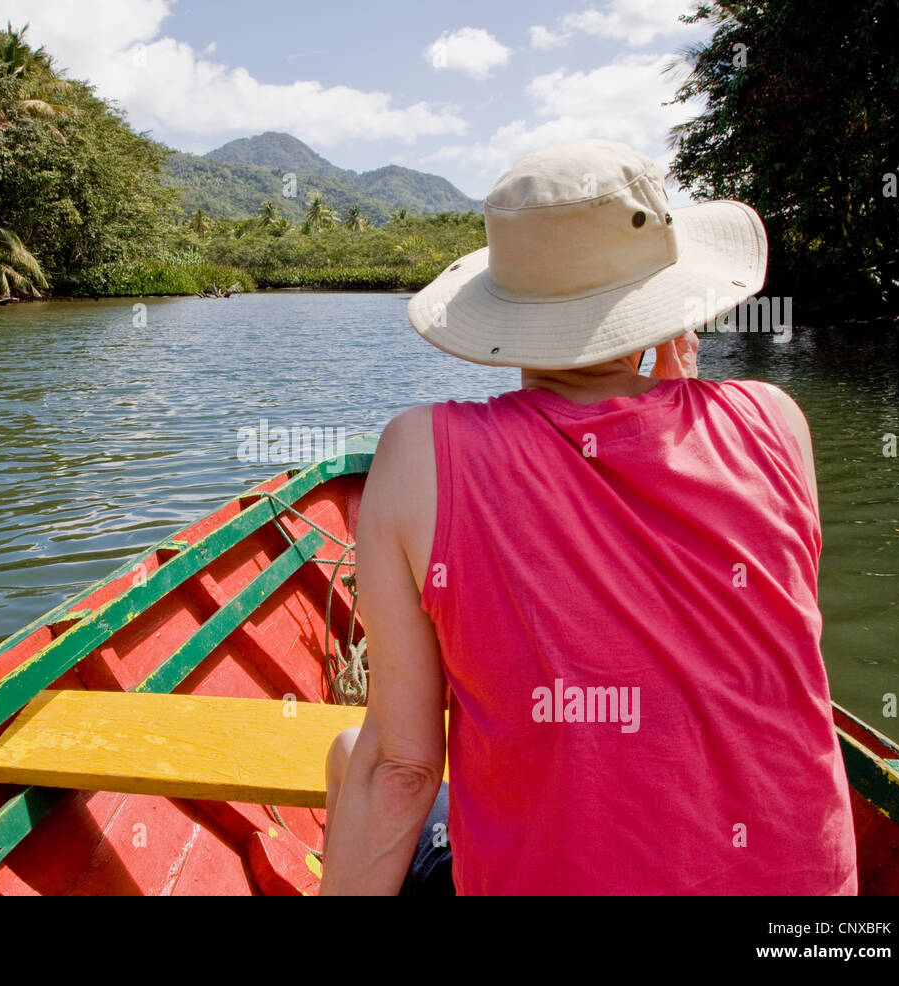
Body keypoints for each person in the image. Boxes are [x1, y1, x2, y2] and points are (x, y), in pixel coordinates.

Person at [319, 139, 858, 896]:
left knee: (354, 754)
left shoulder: (420, 457)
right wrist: (682, 399)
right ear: (669, 302)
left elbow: (404, 769)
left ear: (506, 306)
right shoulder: (776, 422)